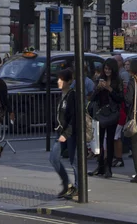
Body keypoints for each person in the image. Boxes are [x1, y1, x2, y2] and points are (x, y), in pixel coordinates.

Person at [89, 58, 123, 178]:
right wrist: (98, 89)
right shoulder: (99, 80)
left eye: (109, 69)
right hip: (100, 112)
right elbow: (92, 98)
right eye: (105, 68)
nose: (107, 71)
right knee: (99, 141)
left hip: (112, 113)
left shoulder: (117, 81)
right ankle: (101, 166)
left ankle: (108, 167)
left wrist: (109, 89)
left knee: (109, 140)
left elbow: (120, 98)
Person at [49, 69, 78, 198]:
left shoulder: (73, 95)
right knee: (53, 158)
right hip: (60, 132)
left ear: (69, 81)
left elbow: (74, 117)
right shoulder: (61, 94)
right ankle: (66, 183)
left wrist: (66, 134)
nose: (59, 82)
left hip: (71, 133)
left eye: (62, 80)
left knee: (74, 161)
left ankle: (78, 187)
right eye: (58, 79)